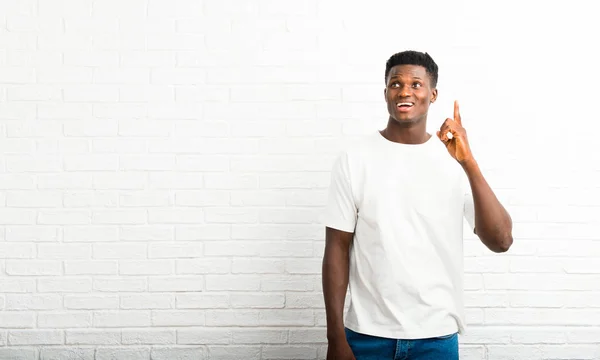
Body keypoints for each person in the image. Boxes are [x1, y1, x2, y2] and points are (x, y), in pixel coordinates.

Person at [321, 50, 513, 360]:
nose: (404, 91)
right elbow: (336, 249)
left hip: (435, 338)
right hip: (366, 336)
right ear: (386, 92)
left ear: (433, 94)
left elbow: (501, 240)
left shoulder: (453, 160)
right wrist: (335, 337)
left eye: (415, 83)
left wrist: (469, 162)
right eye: (395, 83)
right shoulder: (354, 158)